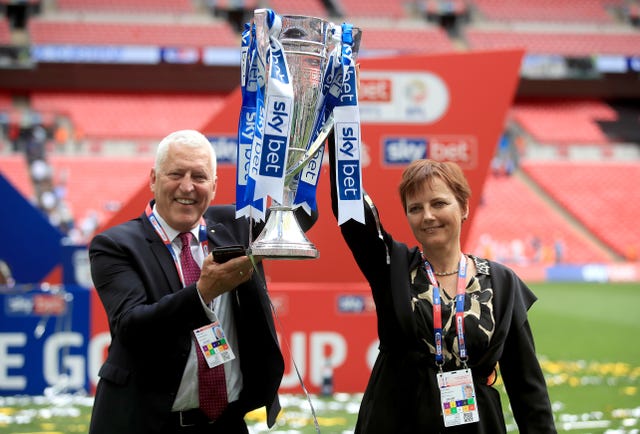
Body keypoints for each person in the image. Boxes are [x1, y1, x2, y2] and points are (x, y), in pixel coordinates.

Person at [88, 129, 316, 434]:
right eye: (176, 173)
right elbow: (132, 328)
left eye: (199, 176)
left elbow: (298, 215)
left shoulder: (238, 224)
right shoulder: (115, 244)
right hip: (147, 423)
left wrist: (313, 138)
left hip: (224, 423)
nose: (187, 186)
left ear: (214, 185)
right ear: (153, 179)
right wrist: (202, 293)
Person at [329, 148, 556, 433]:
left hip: (477, 424)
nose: (427, 216)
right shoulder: (393, 268)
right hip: (397, 420)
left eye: (438, 203)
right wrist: (340, 130)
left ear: (463, 207)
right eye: (415, 208)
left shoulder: (502, 283)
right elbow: (351, 214)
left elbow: (528, 389)